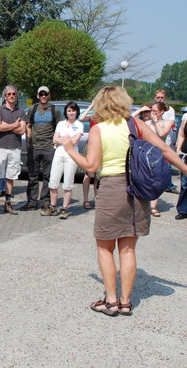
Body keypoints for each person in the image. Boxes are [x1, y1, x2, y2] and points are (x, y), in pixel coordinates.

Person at [61, 86, 187, 317]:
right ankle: (126, 301)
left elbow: (90, 167)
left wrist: (70, 148)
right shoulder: (134, 124)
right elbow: (164, 149)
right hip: (137, 189)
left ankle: (111, 301)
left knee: (105, 247)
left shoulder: (99, 130)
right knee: (128, 249)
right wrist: (185, 169)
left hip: (112, 189)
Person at [21, 86, 62, 215]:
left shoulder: (55, 110)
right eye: (41, 94)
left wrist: (55, 142)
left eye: (45, 94)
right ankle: (32, 202)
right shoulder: (33, 109)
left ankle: (45, 202)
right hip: (34, 147)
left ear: (49, 95)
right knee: (32, 176)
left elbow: (59, 127)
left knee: (47, 176)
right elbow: (28, 125)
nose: (43, 96)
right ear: (38, 96)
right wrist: (28, 141)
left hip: (49, 148)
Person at [0, 85, 26, 215]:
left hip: (15, 148)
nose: (11, 96)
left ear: (16, 95)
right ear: (5, 96)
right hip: (0, 148)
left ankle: (8, 204)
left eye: (14, 94)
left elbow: (22, 130)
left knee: (10, 177)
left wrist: (6, 126)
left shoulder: (21, 111)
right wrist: (14, 125)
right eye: (9, 94)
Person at [48, 102, 84, 219]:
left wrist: (62, 139)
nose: (71, 113)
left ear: (77, 112)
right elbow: (54, 139)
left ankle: (64, 208)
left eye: (73, 110)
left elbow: (75, 141)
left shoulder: (79, 125)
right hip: (58, 155)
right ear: (66, 112)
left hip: (71, 156)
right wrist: (67, 139)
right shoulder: (60, 124)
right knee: (53, 182)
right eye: (69, 110)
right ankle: (53, 206)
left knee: (67, 183)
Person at [154, 89, 178, 194]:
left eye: (162, 97)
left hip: (165, 141)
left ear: (165, 98)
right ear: (155, 98)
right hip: (153, 141)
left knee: (166, 165)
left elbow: (169, 124)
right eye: (158, 97)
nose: (160, 99)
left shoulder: (169, 110)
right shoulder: (153, 108)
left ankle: (169, 185)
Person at [78, 103, 99, 209]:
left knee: (98, 176)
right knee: (88, 174)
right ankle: (86, 200)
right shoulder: (93, 117)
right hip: (91, 147)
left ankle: (97, 199)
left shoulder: (107, 117)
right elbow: (81, 117)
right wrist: (91, 106)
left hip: (102, 148)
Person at [175, 114, 187, 220]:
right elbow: (182, 135)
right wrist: (178, 150)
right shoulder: (186, 117)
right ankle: (183, 210)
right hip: (186, 155)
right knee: (185, 184)